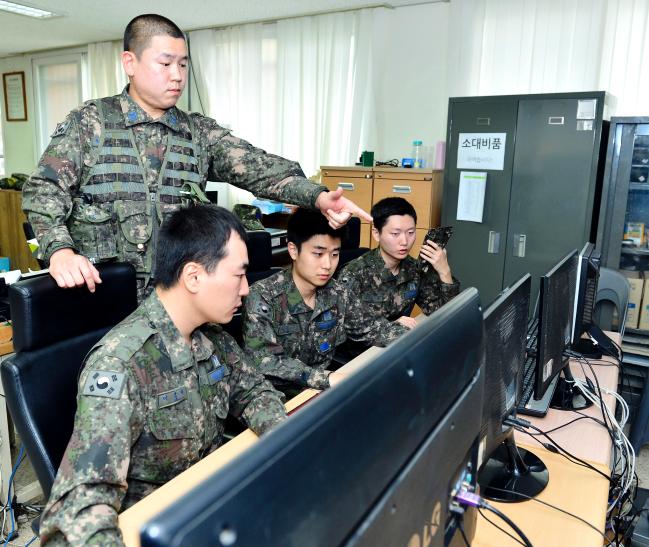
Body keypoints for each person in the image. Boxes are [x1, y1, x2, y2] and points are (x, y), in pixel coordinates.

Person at [22, 14, 370, 301]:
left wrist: (318, 196)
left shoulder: (198, 133)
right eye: (165, 63)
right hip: (106, 300)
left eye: (183, 64)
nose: (177, 76)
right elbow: (43, 191)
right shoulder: (91, 122)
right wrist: (60, 251)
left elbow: (260, 169)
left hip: (179, 301)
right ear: (130, 62)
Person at [39, 205, 287, 545]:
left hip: (208, 505)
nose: (245, 289)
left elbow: (253, 392)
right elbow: (80, 510)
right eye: (238, 275)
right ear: (194, 277)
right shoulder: (121, 364)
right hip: (155, 528)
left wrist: (285, 437)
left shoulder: (212, 337)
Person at [242, 208, 409, 396]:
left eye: (334, 254)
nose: (328, 265)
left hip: (323, 393)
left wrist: (416, 338)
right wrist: (325, 379)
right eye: (318, 254)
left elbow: (372, 328)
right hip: (275, 401)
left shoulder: (337, 292)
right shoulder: (262, 297)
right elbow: (266, 361)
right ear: (293, 250)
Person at [338, 197, 460, 329]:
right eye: (396, 233)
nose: (404, 241)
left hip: (398, 345)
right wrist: (392, 326)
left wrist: (445, 271)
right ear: (376, 233)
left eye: (411, 232)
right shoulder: (353, 274)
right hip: (366, 349)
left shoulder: (413, 268)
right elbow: (348, 328)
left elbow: (442, 311)